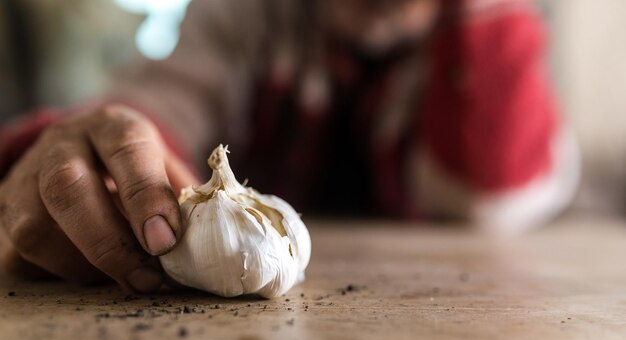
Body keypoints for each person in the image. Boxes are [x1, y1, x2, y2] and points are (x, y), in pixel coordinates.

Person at [0, 0, 580, 293]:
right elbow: (165, 100)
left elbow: (489, 192)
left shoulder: (483, 39)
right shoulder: (250, 14)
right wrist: (105, 150)